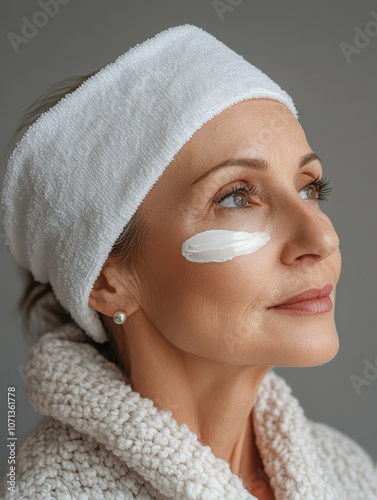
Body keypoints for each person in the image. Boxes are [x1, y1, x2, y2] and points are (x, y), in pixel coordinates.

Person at [1, 24, 376, 500]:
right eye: (237, 197)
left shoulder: (349, 474)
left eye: (309, 188)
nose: (322, 236)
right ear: (106, 280)